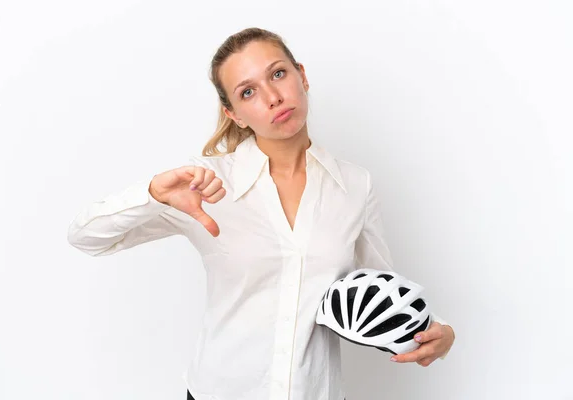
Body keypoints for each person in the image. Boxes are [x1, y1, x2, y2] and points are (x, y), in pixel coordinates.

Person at [67, 27, 455, 400]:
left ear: (302, 76)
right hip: (219, 392)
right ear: (234, 113)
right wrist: (152, 193)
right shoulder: (204, 185)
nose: (273, 97)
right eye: (248, 91)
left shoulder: (355, 184)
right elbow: (86, 237)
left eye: (279, 74)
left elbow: (381, 286)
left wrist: (434, 330)